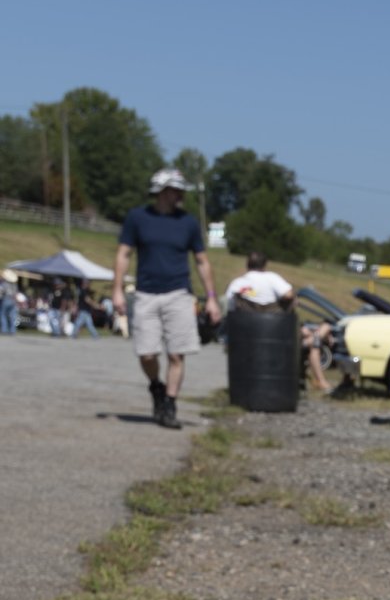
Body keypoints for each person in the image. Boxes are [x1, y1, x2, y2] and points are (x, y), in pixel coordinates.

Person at [113, 168, 221, 429]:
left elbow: (202, 261)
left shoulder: (188, 223)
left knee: (177, 354)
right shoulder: (138, 218)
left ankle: (170, 405)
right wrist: (117, 289)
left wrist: (211, 298)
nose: (181, 195)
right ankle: (156, 387)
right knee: (147, 353)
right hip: (146, 293)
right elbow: (124, 254)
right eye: (176, 190)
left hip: (178, 294)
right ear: (162, 192)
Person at [224, 250, 294, 311]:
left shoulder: (237, 283)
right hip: (272, 323)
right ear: (264, 265)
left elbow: (229, 303)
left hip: (243, 322)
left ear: (247, 264)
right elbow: (289, 295)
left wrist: (253, 294)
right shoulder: (272, 278)